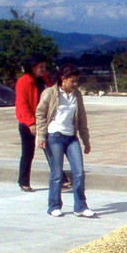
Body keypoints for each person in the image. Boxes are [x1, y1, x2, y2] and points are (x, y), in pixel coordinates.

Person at [36, 64, 95, 218]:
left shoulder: (77, 95)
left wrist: (86, 140)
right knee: (56, 174)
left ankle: (80, 206)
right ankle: (54, 206)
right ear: (63, 79)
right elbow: (40, 114)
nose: (75, 84)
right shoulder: (50, 93)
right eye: (72, 81)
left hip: (71, 137)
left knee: (79, 172)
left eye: (77, 81)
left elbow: (81, 118)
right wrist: (41, 136)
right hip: (54, 136)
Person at [14, 58, 49, 192]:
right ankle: (23, 181)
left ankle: (61, 178)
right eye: (40, 66)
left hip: (43, 119)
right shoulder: (24, 81)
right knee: (28, 153)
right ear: (32, 67)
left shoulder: (44, 79)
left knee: (51, 149)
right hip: (28, 122)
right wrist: (31, 123)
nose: (43, 69)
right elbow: (22, 104)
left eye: (44, 66)